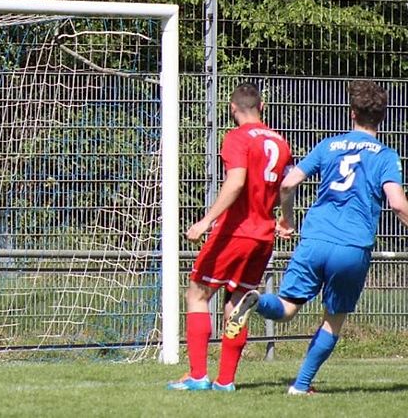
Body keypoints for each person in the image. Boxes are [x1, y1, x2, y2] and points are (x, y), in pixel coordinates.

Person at [225, 80, 408, 395]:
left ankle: (256, 300)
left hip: (315, 239)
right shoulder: (385, 155)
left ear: (351, 114)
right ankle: (301, 385)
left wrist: (286, 217)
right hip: (352, 247)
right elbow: (396, 203)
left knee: (285, 306)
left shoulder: (329, 146)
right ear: (382, 117)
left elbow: (287, 183)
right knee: (333, 319)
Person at [167, 83, 292, 392]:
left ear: (232, 108)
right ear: (261, 106)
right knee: (236, 303)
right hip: (263, 236)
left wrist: (206, 221)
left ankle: (198, 375)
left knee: (197, 294)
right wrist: (284, 218)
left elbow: (236, 182)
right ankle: (226, 381)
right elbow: (286, 186)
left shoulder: (236, 138)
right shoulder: (280, 141)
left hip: (235, 232)